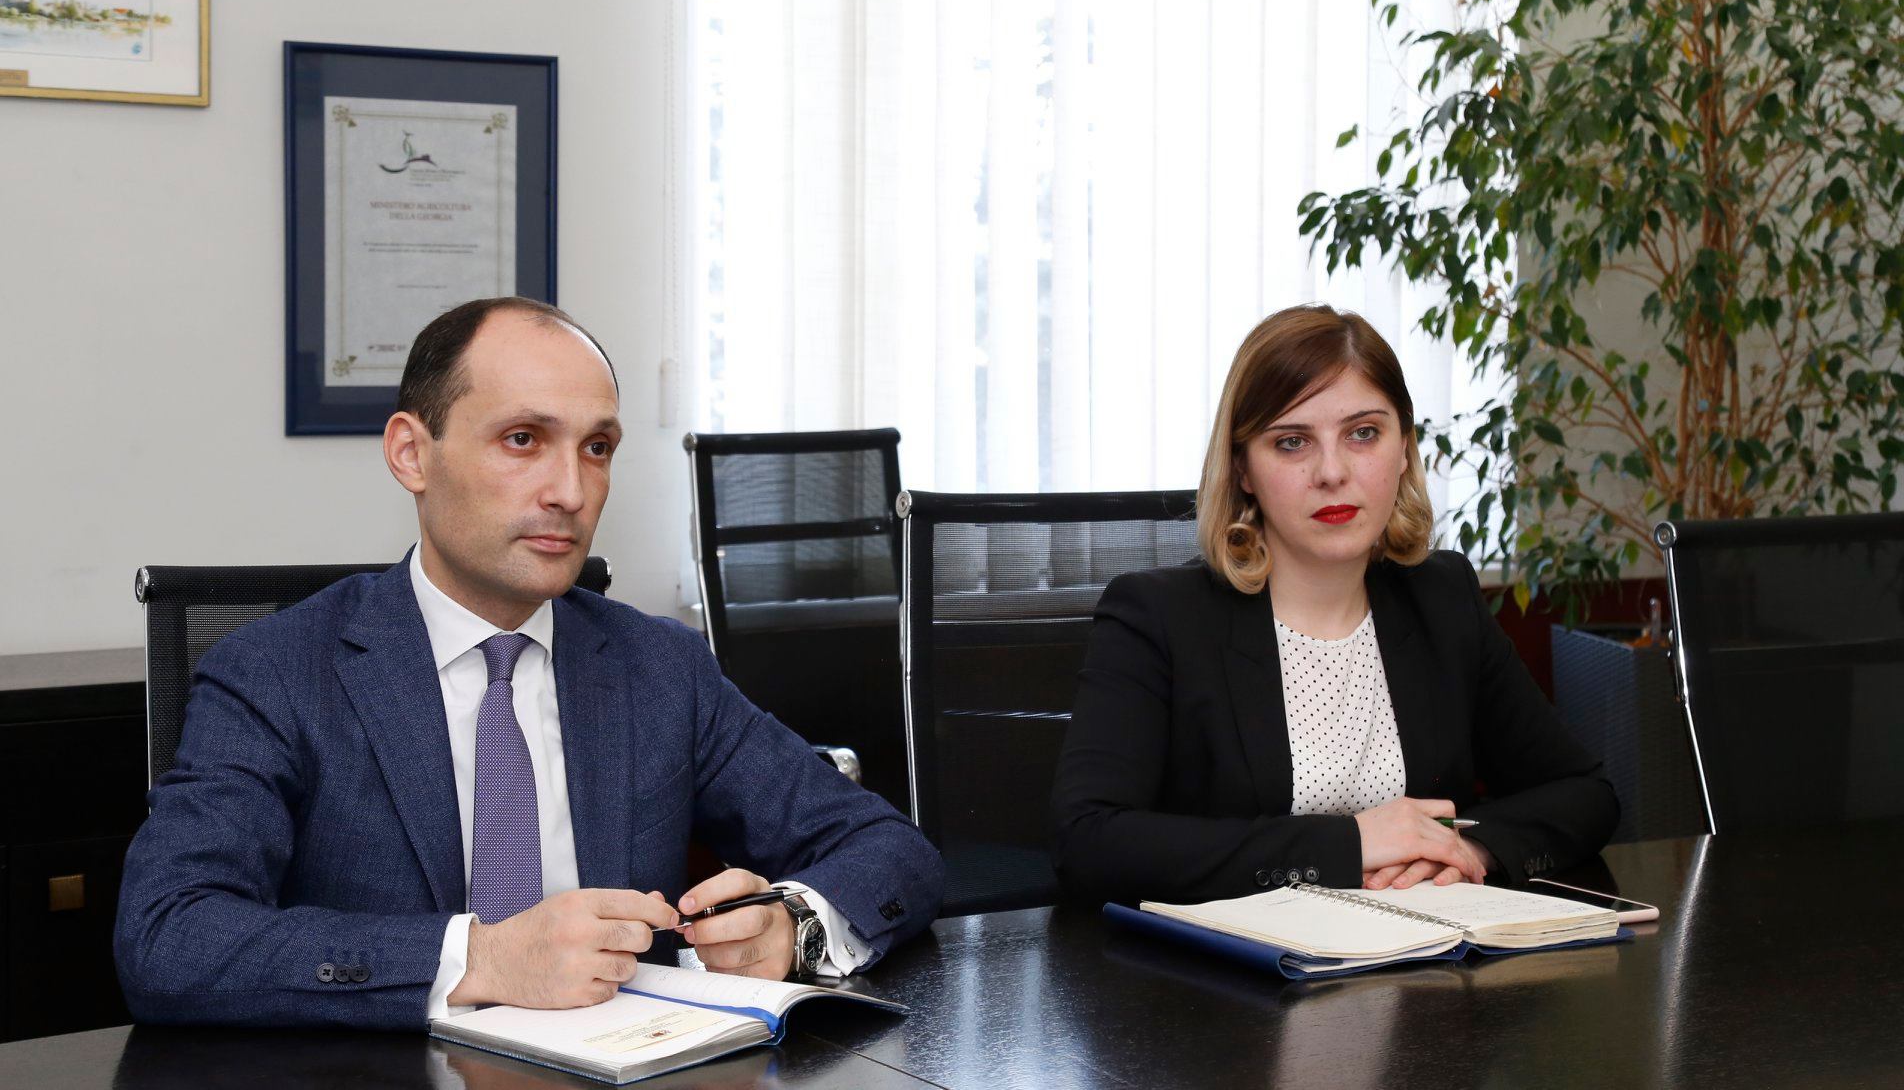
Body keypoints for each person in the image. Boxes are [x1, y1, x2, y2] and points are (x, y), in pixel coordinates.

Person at [115, 297, 943, 1029]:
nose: (571, 491)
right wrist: (481, 958)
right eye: (523, 439)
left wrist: (795, 923)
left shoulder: (659, 665)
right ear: (411, 453)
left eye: (597, 447)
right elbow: (168, 935)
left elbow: (888, 847)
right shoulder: (275, 670)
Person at [1050, 305, 1618, 905]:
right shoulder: (1159, 617)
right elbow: (1088, 843)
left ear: (1404, 449)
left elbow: (1584, 793)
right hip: (1240, 962)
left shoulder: (1441, 598)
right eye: (1292, 442)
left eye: (1363, 433)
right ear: (1243, 468)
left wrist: (1469, 850)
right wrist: (1350, 844)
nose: (1332, 472)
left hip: (1424, 950)